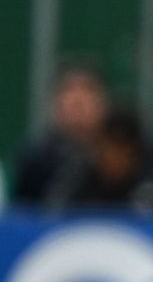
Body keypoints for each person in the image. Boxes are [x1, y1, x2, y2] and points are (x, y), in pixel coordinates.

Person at [43, 105, 153, 213]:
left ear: (136, 154)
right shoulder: (75, 183)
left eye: (123, 152)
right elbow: (52, 215)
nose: (116, 159)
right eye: (110, 150)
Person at [11, 63, 109, 205]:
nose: (78, 99)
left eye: (88, 90)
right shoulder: (35, 160)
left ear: (103, 101)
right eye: (68, 90)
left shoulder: (125, 156)